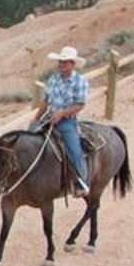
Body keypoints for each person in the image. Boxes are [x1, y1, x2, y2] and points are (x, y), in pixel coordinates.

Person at [34, 46, 92, 196]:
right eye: (60, 62)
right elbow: (45, 101)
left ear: (73, 64)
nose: (61, 65)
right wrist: (35, 119)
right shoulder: (53, 79)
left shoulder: (80, 81)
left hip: (66, 121)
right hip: (48, 117)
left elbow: (80, 104)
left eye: (65, 62)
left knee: (74, 150)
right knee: (28, 137)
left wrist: (61, 114)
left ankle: (81, 182)